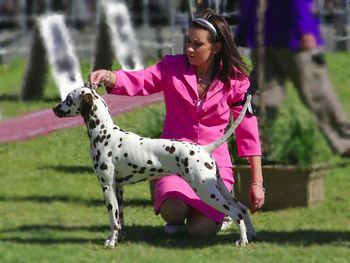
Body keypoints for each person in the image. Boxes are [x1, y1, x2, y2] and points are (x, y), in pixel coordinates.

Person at [89, 9, 264, 236]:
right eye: (188, 41)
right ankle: (176, 210)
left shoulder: (235, 80)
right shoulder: (171, 68)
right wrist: (110, 77)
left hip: (213, 161)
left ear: (216, 48)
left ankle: (213, 218)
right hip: (172, 159)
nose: (189, 49)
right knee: (173, 211)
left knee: (200, 231)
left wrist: (256, 183)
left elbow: (248, 131)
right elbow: (142, 80)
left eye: (198, 44)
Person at [235, 0, 350, 157]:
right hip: (291, 34)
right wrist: (304, 29)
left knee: (264, 94)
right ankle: (345, 142)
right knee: (317, 92)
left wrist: (243, 29)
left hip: (262, 33)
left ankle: (254, 146)